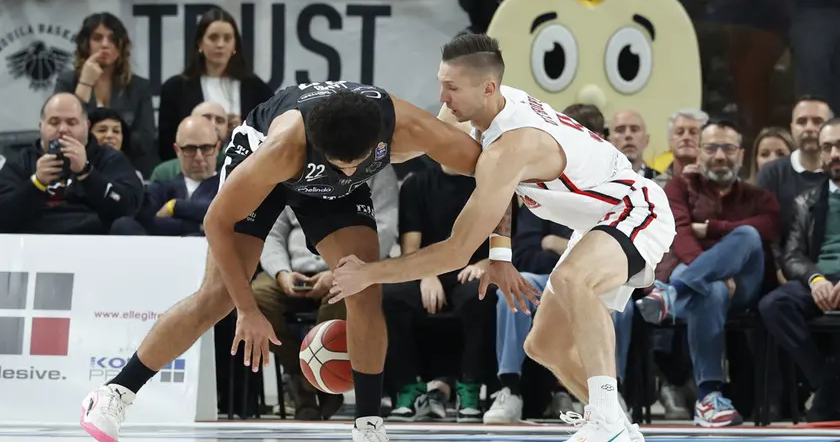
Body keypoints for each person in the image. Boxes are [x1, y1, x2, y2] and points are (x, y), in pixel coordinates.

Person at [79, 81, 484, 442]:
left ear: (380, 143)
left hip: (333, 175)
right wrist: (247, 309)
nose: (347, 170)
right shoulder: (281, 148)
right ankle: (115, 392)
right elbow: (215, 221)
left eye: (356, 165)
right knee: (217, 296)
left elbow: (496, 174)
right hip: (269, 168)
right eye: (339, 164)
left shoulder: (408, 128)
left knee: (363, 286)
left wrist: (499, 252)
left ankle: (368, 425)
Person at [331, 34, 676, 442]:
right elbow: (413, 147)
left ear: (488, 87)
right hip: (594, 223)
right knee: (543, 346)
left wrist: (371, 274)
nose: (442, 95)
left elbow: (457, 250)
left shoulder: (512, 146)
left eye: (452, 87)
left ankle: (603, 418)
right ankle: (620, 427)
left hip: (635, 208)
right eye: (442, 82)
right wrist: (349, 146)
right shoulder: (474, 109)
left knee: (571, 280)